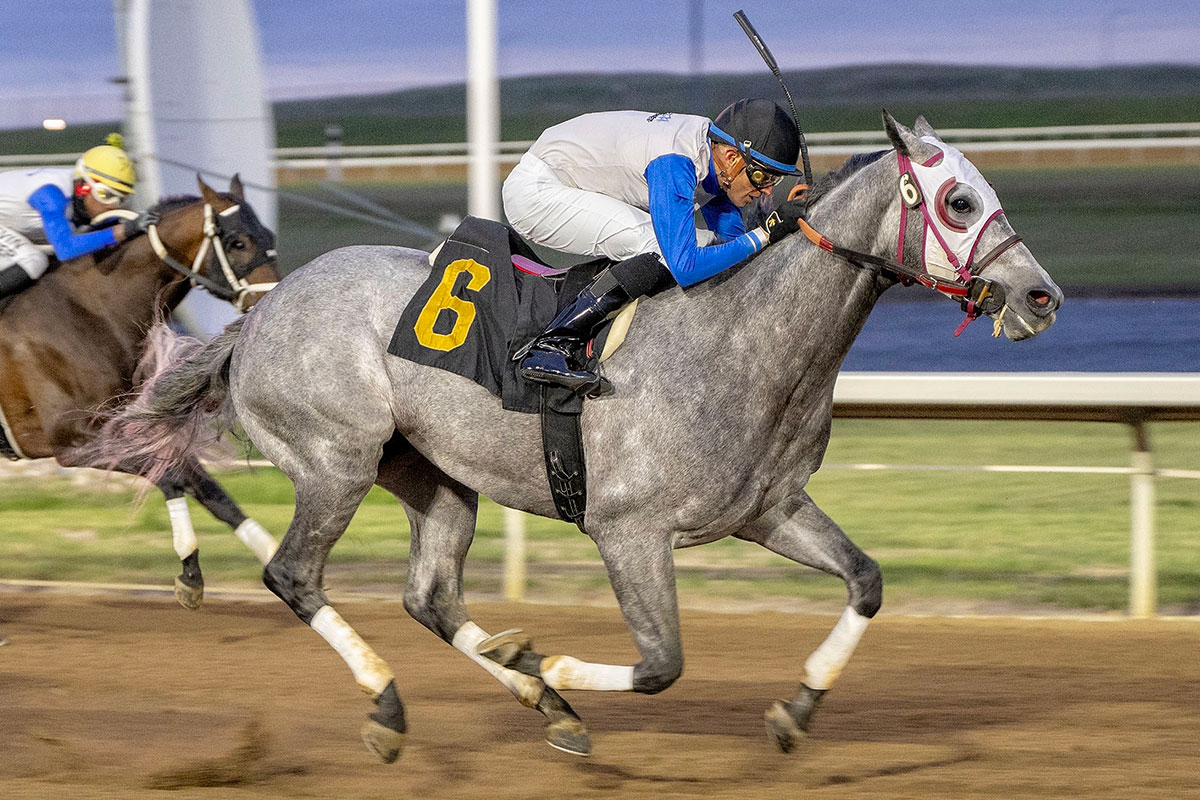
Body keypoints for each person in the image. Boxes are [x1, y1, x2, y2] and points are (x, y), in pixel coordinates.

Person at [503, 98, 808, 394]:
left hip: (564, 179)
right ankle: (552, 344)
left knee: (706, 243)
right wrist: (764, 235)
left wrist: (766, 239)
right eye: (762, 176)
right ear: (731, 157)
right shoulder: (675, 162)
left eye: (776, 181)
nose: (767, 190)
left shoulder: (712, 153)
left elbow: (731, 247)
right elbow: (685, 267)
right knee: (660, 248)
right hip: (536, 192)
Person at [0, 134, 157, 300]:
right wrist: (122, 231)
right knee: (33, 260)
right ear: (83, 187)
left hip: (9, 225)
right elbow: (66, 250)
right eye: (106, 195)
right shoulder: (50, 197)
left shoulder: (80, 191)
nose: (112, 206)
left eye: (121, 199)